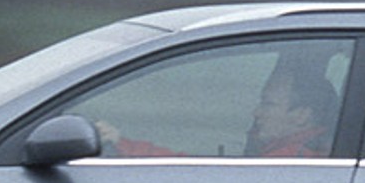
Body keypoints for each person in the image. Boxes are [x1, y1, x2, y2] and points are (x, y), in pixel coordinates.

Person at [98, 69, 337, 158]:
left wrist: (123, 146)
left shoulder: (289, 159)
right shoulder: (304, 151)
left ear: (301, 116)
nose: (256, 112)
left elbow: (192, 177)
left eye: (268, 104)